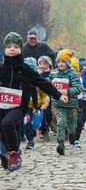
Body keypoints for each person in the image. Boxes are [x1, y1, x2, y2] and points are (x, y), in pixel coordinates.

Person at [0, 32, 68, 171]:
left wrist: (58, 94)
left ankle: (14, 154)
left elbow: (41, 82)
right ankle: (5, 153)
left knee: (8, 123)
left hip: (18, 107)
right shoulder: (1, 69)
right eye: (9, 46)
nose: (12, 49)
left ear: (20, 49)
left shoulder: (25, 69)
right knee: (3, 131)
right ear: (4, 49)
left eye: (15, 46)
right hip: (2, 106)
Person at [49, 49, 82, 155]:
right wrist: (51, 97)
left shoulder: (72, 74)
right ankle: (61, 145)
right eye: (59, 62)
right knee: (61, 123)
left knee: (72, 125)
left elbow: (78, 89)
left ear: (68, 62)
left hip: (71, 105)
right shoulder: (53, 75)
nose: (60, 64)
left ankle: (72, 134)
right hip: (58, 105)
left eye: (63, 61)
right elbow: (49, 87)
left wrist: (66, 91)